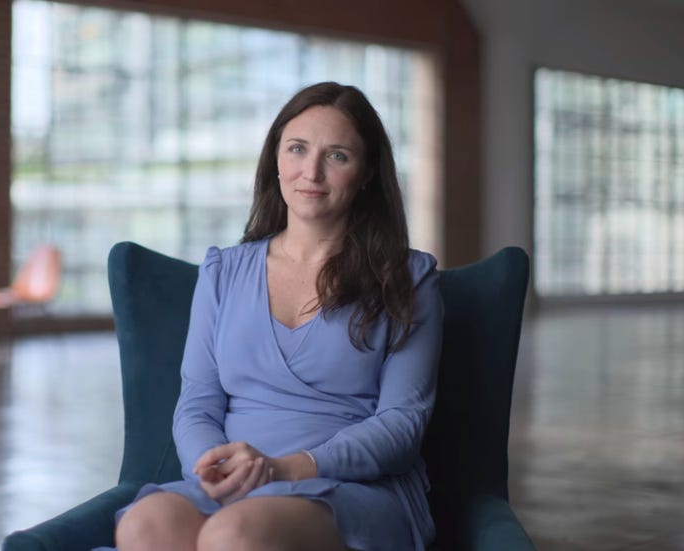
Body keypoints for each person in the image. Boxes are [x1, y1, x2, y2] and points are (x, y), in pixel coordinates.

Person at [113, 81, 443, 551]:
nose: (311, 171)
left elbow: (402, 424)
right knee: (143, 526)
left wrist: (282, 468)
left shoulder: (408, 278)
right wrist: (218, 467)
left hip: (347, 489)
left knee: (235, 536)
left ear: (367, 172)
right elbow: (198, 400)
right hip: (236, 479)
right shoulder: (223, 271)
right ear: (276, 159)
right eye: (297, 149)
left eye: (338, 156)